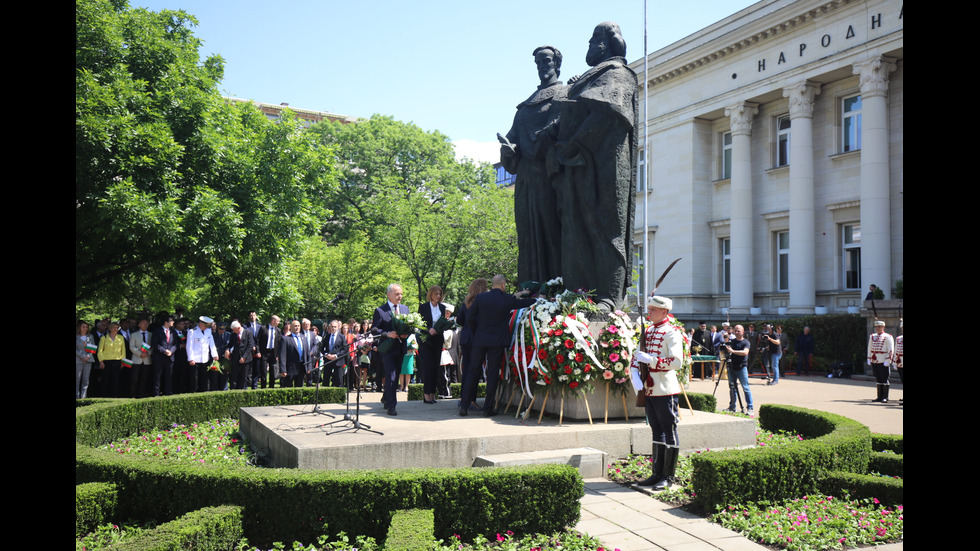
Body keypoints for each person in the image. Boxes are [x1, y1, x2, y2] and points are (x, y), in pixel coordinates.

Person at [551, 22, 638, 312]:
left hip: (605, 164)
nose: (588, 46)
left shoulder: (618, 73)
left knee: (607, 226)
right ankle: (578, 294)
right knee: (576, 229)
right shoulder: (589, 78)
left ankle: (610, 298)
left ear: (605, 43)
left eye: (592, 41)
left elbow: (606, 114)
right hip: (578, 165)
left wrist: (574, 141)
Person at [500, 45, 565, 284]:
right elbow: (512, 139)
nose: (542, 67)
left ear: (557, 64)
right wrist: (508, 148)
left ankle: (557, 289)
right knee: (527, 236)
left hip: (550, 177)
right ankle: (529, 289)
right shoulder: (525, 108)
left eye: (546, 61)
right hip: (526, 179)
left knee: (552, 232)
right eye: (538, 63)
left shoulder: (565, 94)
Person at [461, 275, 535, 417]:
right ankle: (488, 409)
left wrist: (477, 332)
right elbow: (523, 303)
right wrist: (539, 299)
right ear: (503, 286)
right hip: (497, 341)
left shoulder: (481, 298)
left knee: (472, 371)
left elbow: (469, 318)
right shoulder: (506, 299)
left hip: (480, 339)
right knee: (493, 374)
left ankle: (464, 406)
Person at [632, 296, 683, 490]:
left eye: (653, 309)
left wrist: (652, 360)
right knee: (656, 430)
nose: (649, 312)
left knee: (669, 429)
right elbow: (638, 355)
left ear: (664, 312)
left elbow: (677, 362)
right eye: (649, 309)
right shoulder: (649, 331)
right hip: (650, 389)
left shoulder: (671, 332)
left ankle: (668, 476)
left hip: (665, 389)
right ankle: (656, 473)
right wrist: (635, 372)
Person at [372, 283, 409, 416]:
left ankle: (386, 397)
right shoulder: (380, 310)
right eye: (397, 294)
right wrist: (388, 334)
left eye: (401, 294)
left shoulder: (405, 309)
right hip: (387, 349)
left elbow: (409, 326)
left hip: (400, 348)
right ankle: (392, 406)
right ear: (389, 294)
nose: (400, 296)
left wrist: (407, 334)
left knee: (394, 376)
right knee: (392, 375)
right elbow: (374, 330)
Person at [456, 278, 488, 412]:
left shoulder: (466, 302)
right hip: (476, 338)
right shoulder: (483, 301)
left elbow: (459, 320)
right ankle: (471, 400)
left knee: (468, 370)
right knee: (474, 371)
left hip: (465, 338)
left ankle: (465, 399)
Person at [418, 285, 447, 404]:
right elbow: (420, 323)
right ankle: (426, 394)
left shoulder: (442, 307)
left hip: (438, 339)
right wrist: (429, 329)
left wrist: (438, 330)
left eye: (440, 294)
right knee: (428, 366)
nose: (438, 296)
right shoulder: (423, 307)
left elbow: (443, 323)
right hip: (426, 339)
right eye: (436, 294)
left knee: (436, 367)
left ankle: (432, 393)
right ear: (431, 294)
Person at [724, 324, 754, 416]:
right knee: (732, 387)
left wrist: (733, 351)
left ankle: (750, 408)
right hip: (731, 367)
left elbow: (745, 352)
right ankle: (732, 406)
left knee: (745, 388)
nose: (736, 332)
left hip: (741, 367)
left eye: (738, 331)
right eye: (735, 331)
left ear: (743, 332)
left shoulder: (746, 342)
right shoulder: (731, 341)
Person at [186, 316, 218, 392]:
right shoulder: (192, 331)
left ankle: (204, 392)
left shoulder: (208, 331)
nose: (207, 327)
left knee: (205, 378)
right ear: (200, 324)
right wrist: (191, 358)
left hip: (205, 358)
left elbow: (211, 343)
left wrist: (215, 354)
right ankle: (193, 393)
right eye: (205, 326)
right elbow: (189, 346)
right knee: (195, 379)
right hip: (195, 359)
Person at [867, 320, 895, 403]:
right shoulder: (872, 336)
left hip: (883, 360)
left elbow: (891, 350)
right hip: (875, 360)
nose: (878, 328)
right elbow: (869, 348)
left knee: (884, 378)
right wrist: (869, 358)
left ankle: (885, 397)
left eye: (879, 327)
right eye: (876, 327)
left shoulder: (888, 337)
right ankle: (879, 396)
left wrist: (888, 360)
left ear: (883, 327)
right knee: (878, 378)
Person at [278, 320, 311, 388]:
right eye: (295, 326)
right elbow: (282, 356)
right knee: (288, 388)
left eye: (298, 326)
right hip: (290, 368)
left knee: (299, 388)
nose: (297, 327)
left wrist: (309, 367)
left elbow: (307, 354)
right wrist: (283, 369)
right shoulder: (286, 339)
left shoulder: (303, 338)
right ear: (291, 327)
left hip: (301, 367)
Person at [151, 313, 178, 396]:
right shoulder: (157, 331)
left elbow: (176, 344)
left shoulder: (173, 331)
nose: (173, 322)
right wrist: (164, 351)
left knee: (169, 375)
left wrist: (171, 351)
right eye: (171, 321)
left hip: (170, 357)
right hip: (159, 357)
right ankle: (156, 393)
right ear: (166, 322)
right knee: (158, 376)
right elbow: (154, 344)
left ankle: (168, 392)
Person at [226, 320, 255, 390]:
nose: (234, 331)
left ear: (239, 328)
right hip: (235, 358)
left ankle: (242, 390)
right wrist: (227, 350)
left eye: (234, 330)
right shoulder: (233, 334)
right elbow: (230, 344)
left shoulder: (248, 333)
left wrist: (244, 357)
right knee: (234, 376)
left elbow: (250, 346)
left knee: (243, 377)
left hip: (246, 359)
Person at [256, 315, 282, 389]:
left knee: (273, 371)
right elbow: (258, 340)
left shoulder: (278, 330)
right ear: (273, 321)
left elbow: (279, 343)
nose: (279, 323)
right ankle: (263, 387)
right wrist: (258, 351)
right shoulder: (263, 328)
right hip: (264, 352)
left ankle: (271, 386)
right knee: (264, 371)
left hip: (273, 352)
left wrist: (278, 354)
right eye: (277, 321)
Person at [129, 317, 152, 398]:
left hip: (147, 360)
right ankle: (133, 395)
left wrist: (148, 353)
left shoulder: (151, 334)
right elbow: (132, 346)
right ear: (139, 325)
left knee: (144, 378)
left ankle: (142, 394)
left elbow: (153, 347)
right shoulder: (134, 334)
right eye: (143, 323)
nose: (145, 325)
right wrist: (140, 353)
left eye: (146, 323)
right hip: (136, 359)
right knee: (134, 378)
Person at [76, 321, 97, 399]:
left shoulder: (90, 336)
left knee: (86, 380)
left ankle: (83, 398)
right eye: (83, 327)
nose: (85, 328)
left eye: (86, 327)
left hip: (88, 360)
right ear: (79, 327)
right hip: (78, 360)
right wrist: (82, 356)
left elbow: (93, 347)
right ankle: (77, 398)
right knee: (77, 380)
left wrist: (88, 356)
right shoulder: (76, 336)